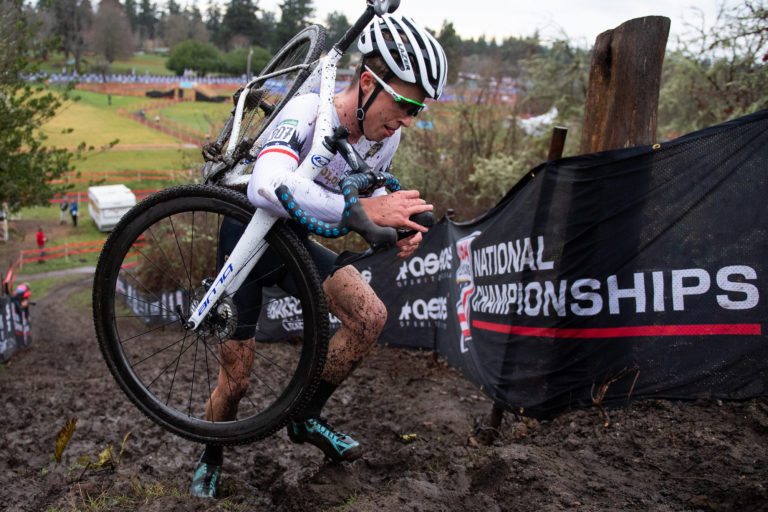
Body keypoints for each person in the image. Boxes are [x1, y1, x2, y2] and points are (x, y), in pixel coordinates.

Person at [189, 14, 448, 499]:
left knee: (370, 316)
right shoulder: (308, 110)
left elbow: (359, 208)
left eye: (420, 108)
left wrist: (394, 228)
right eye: (407, 103)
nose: (410, 119)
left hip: (294, 244)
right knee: (237, 382)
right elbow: (268, 187)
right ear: (368, 84)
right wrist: (362, 211)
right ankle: (211, 453)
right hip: (247, 237)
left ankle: (305, 415)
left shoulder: (384, 137)